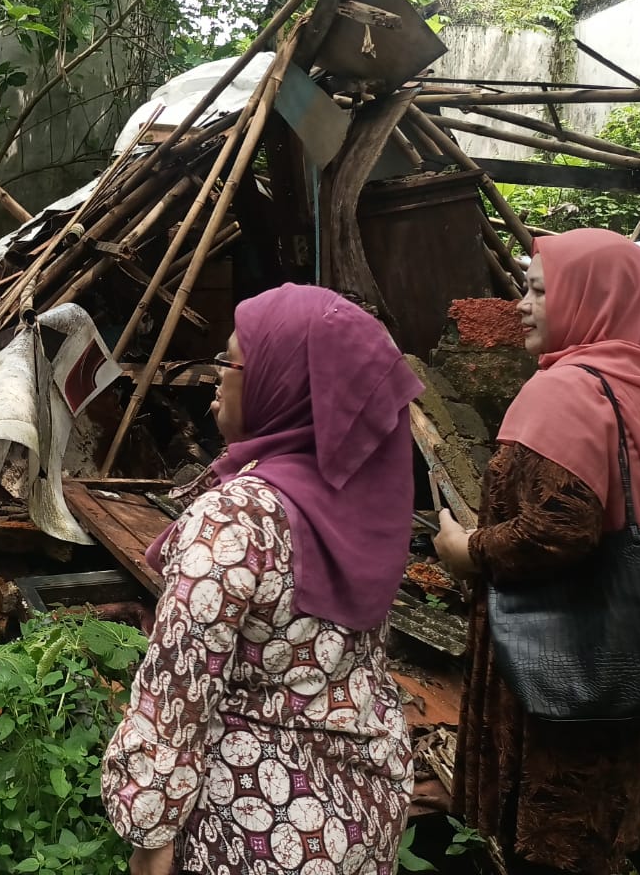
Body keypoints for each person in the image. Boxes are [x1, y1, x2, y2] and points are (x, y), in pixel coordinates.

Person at [103, 284, 420, 875]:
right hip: (359, 809)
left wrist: (150, 831)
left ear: (283, 381)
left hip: (253, 825)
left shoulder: (237, 517)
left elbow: (179, 690)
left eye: (232, 360)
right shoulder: (362, 503)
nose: (217, 377)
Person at [434, 230, 640, 875]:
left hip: (562, 656)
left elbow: (560, 527)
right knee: (613, 807)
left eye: (539, 290)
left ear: (593, 298)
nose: (522, 304)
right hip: (628, 641)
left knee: (556, 835)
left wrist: (465, 548)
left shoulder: (565, 390)